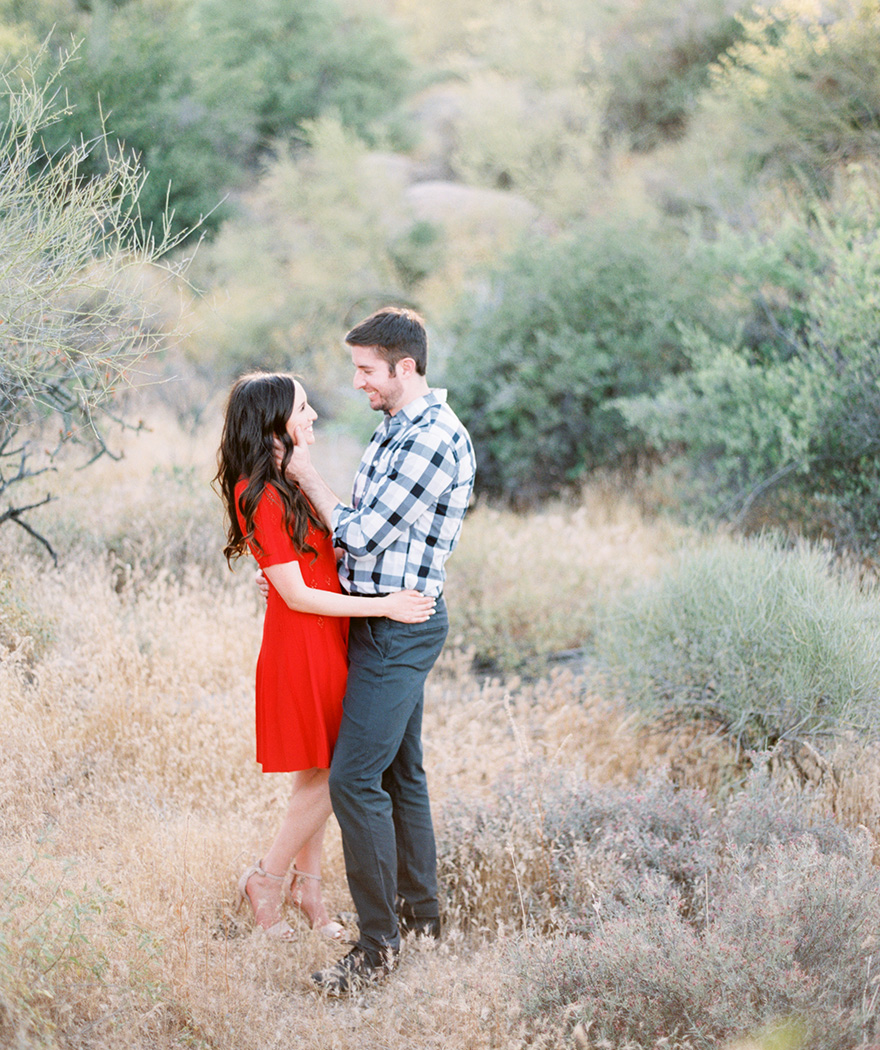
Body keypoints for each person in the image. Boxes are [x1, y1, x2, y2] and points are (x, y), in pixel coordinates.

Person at [274, 307, 476, 993]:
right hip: (379, 620)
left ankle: (377, 950)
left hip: (398, 628)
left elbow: (359, 537)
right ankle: (421, 921)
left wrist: (304, 476)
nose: (357, 382)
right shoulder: (397, 427)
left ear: (405, 367)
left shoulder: (430, 439)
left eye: (366, 370)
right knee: (400, 776)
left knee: (353, 780)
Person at [215, 371, 436, 943]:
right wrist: (384, 605)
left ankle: (308, 890)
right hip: (303, 648)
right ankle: (266, 880)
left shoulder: (287, 484)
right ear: (272, 425)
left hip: (327, 640)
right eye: (303, 408)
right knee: (334, 775)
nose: (313, 416)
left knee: (318, 771)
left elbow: (315, 562)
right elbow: (296, 593)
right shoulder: (258, 492)